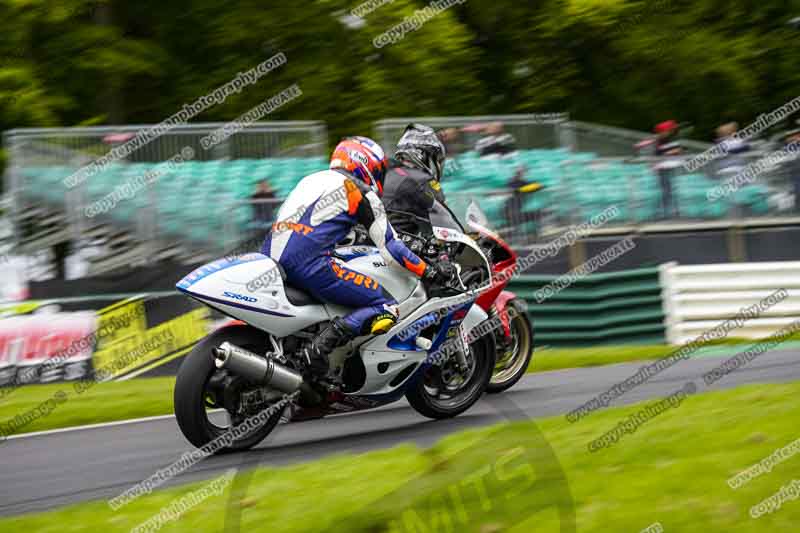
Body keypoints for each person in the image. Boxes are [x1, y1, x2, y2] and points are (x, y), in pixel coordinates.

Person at [260, 136, 452, 379]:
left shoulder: (311, 179)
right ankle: (318, 350)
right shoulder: (359, 191)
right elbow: (391, 249)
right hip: (308, 263)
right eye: (379, 170)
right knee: (385, 306)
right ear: (366, 164)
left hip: (269, 257)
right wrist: (430, 271)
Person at [382, 124, 448, 235]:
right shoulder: (420, 180)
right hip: (399, 246)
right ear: (423, 155)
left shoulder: (386, 171)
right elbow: (444, 220)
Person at [653, 120, 683, 218]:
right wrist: (670, 153)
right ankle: (665, 212)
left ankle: (676, 211)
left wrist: (674, 151)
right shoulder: (658, 141)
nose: (670, 131)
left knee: (673, 189)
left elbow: (679, 150)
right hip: (663, 168)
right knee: (665, 190)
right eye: (668, 130)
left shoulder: (673, 139)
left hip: (672, 167)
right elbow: (657, 154)